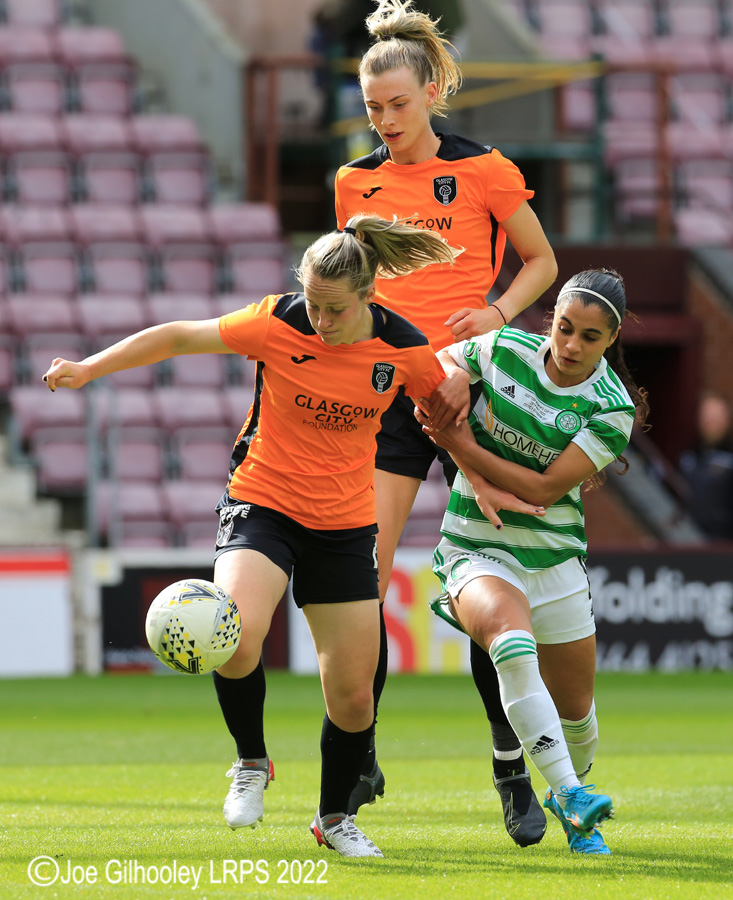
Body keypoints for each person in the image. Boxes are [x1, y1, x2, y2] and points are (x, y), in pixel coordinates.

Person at [43, 214, 462, 859]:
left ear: (369, 296)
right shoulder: (278, 322)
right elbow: (181, 337)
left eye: (335, 310)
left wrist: (492, 481)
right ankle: (250, 763)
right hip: (262, 502)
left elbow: (448, 417)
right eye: (314, 305)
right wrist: (88, 369)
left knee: (354, 696)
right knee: (234, 639)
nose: (320, 320)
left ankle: (334, 818)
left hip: (347, 525)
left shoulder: (404, 349)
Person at [333, 0, 558, 845]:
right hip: (388, 396)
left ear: (429, 92)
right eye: (371, 108)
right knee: (362, 583)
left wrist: (495, 312)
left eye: (396, 104)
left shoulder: (486, 171)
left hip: (474, 392)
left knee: (483, 586)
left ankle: (508, 769)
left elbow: (541, 261)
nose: (383, 120)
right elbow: (349, 294)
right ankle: (356, 754)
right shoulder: (353, 183)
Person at [418, 268, 650, 854]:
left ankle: (572, 782)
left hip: (554, 561)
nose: (571, 346)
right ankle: (570, 796)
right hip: (477, 543)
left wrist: (460, 445)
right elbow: (434, 367)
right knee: (509, 644)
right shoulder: (502, 347)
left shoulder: (612, 409)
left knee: (577, 716)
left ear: (611, 340)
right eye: (565, 328)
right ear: (551, 319)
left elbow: (545, 490)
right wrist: (450, 380)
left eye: (590, 338)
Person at [679, 392, 733, 541]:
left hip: (723, 545)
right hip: (688, 541)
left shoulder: (729, 459)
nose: (710, 422)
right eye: (706, 416)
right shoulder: (687, 457)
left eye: (716, 417)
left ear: (726, 420)